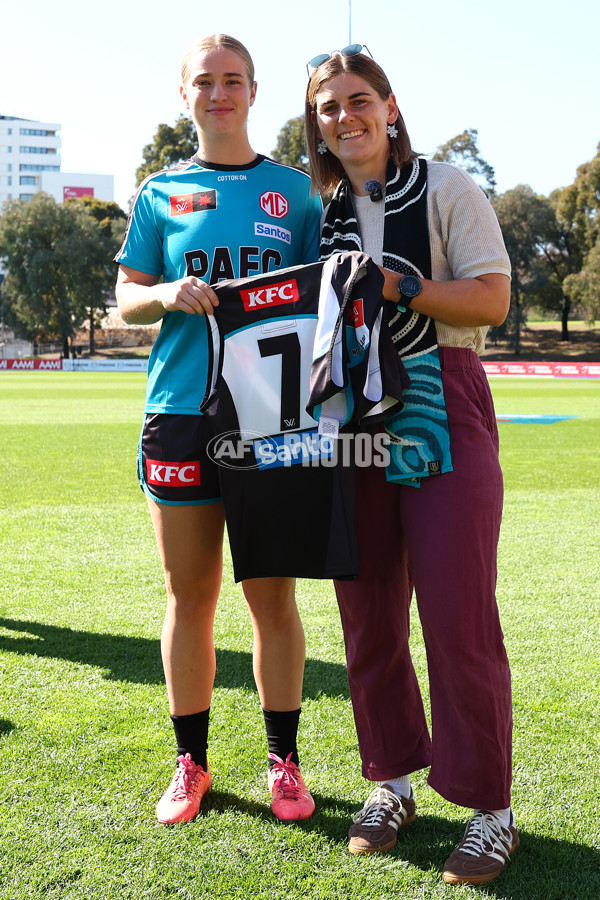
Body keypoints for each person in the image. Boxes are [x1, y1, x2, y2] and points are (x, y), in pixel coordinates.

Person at [305, 46, 517, 886]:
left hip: (442, 397)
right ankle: (391, 783)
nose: (345, 116)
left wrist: (401, 286)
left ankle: (489, 807)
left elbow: (493, 299)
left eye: (360, 100)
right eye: (328, 106)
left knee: (459, 614)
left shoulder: (447, 187)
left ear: (390, 108)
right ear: (315, 122)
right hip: (348, 415)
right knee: (367, 614)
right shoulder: (315, 209)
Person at [115, 33, 322, 826]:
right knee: (190, 595)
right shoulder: (159, 191)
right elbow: (125, 300)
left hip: (271, 416)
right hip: (179, 411)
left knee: (273, 595)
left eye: (233, 80)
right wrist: (167, 290)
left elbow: (320, 305)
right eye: (205, 81)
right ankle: (191, 764)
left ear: (254, 91)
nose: (219, 93)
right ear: (185, 95)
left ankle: (284, 763)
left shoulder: (296, 193)